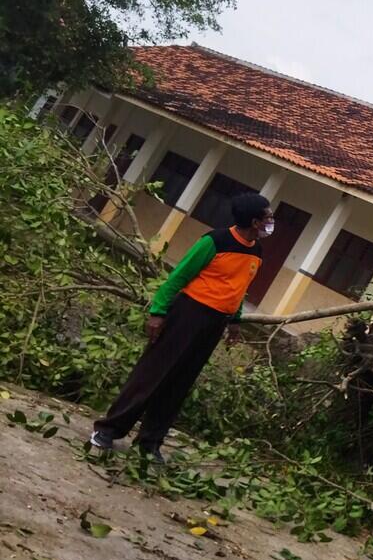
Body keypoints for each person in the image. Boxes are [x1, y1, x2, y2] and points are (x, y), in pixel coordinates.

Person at [90, 193, 273, 462]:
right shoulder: (215, 241)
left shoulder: (256, 250)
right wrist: (158, 312)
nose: (271, 221)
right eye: (267, 216)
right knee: (153, 372)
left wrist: (235, 321)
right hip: (188, 313)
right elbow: (179, 276)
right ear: (255, 221)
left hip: (214, 323)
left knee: (180, 382)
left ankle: (150, 442)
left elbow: (239, 288)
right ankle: (109, 429)